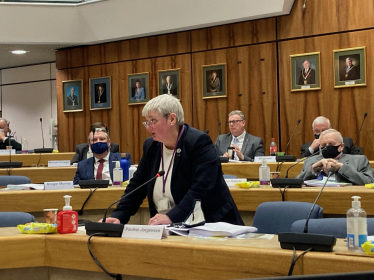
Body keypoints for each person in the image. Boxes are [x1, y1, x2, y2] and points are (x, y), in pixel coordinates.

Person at [102, 94, 244, 226]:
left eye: (153, 120)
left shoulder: (198, 142)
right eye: (146, 122)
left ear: (172, 119)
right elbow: (138, 184)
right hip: (170, 227)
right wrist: (120, 215)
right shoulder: (151, 145)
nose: (149, 127)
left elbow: (201, 189)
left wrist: (172, 216)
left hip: (211, 224)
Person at [296, 129, 374, 185]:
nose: (327, 147)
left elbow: (369, 182)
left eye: (331, 144)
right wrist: (312, 170)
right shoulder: (310, 161)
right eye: (323, 145)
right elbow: (295, 183)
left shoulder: (359, 160)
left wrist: (341, 168)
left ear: (341, 146)